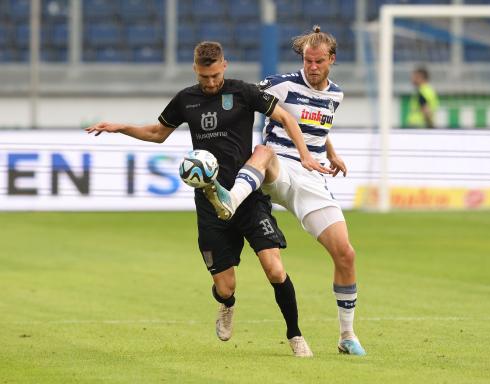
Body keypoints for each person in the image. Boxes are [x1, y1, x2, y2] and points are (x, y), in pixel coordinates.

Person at [84, 41, 331, 357]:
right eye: (204, 78)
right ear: (195, 70)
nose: (211, 83)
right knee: (226, 286)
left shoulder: (243, 92)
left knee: (274, 267)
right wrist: (121, 128)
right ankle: (227, 305)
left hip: (247, 196)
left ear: (224, 66)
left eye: (215, 75)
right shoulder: (186, 99)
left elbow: (286, 117)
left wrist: (305, 154)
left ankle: (295, 336)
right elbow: (157, 133)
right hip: (210, 201)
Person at [204, 27, 366, 356]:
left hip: (311, 177)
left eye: (319, 61)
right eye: (308, 60)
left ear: (331, 60)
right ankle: (230, 200)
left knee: (345, 254)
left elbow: (318, 125)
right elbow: (243, 96)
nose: (312, 67)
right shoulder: (280, 83)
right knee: (263, 150)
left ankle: (346, 336)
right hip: (276, 167)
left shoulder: (336, 95)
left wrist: (331, 152)